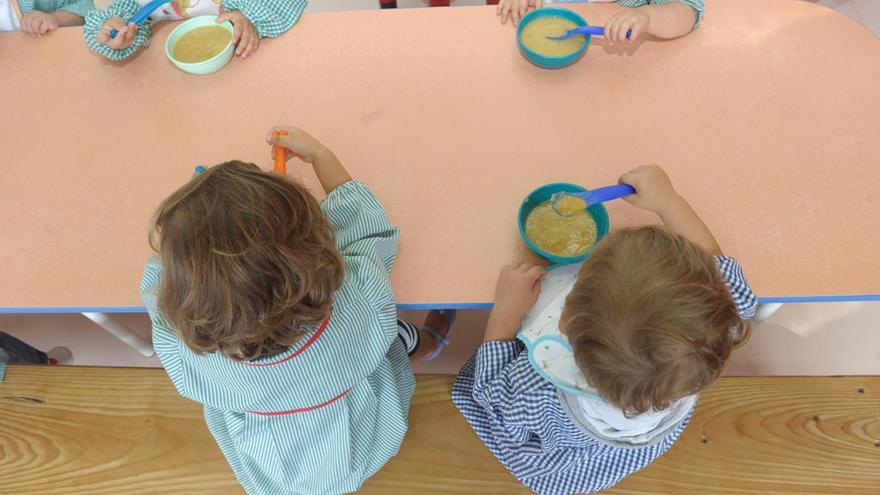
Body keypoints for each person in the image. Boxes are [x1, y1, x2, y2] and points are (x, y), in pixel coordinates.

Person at [140, 126, 452, 494]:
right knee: (390, 333)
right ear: (315, 244)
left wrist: (196, 248)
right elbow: (368, 232)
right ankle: (427, 342)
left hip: (274, 470)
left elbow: (156, 293)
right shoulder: (355, 302)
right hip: (368, 436)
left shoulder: (187, 351)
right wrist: (320, 154)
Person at [452, 165, 757, 495]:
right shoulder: (721, 320)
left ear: (564, 323)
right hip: (631, 445)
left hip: (559, 462)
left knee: (480, 402)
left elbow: (493, 395)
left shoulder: (538, 389)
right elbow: (716, 265)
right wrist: (670, 203)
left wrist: (505, 313)